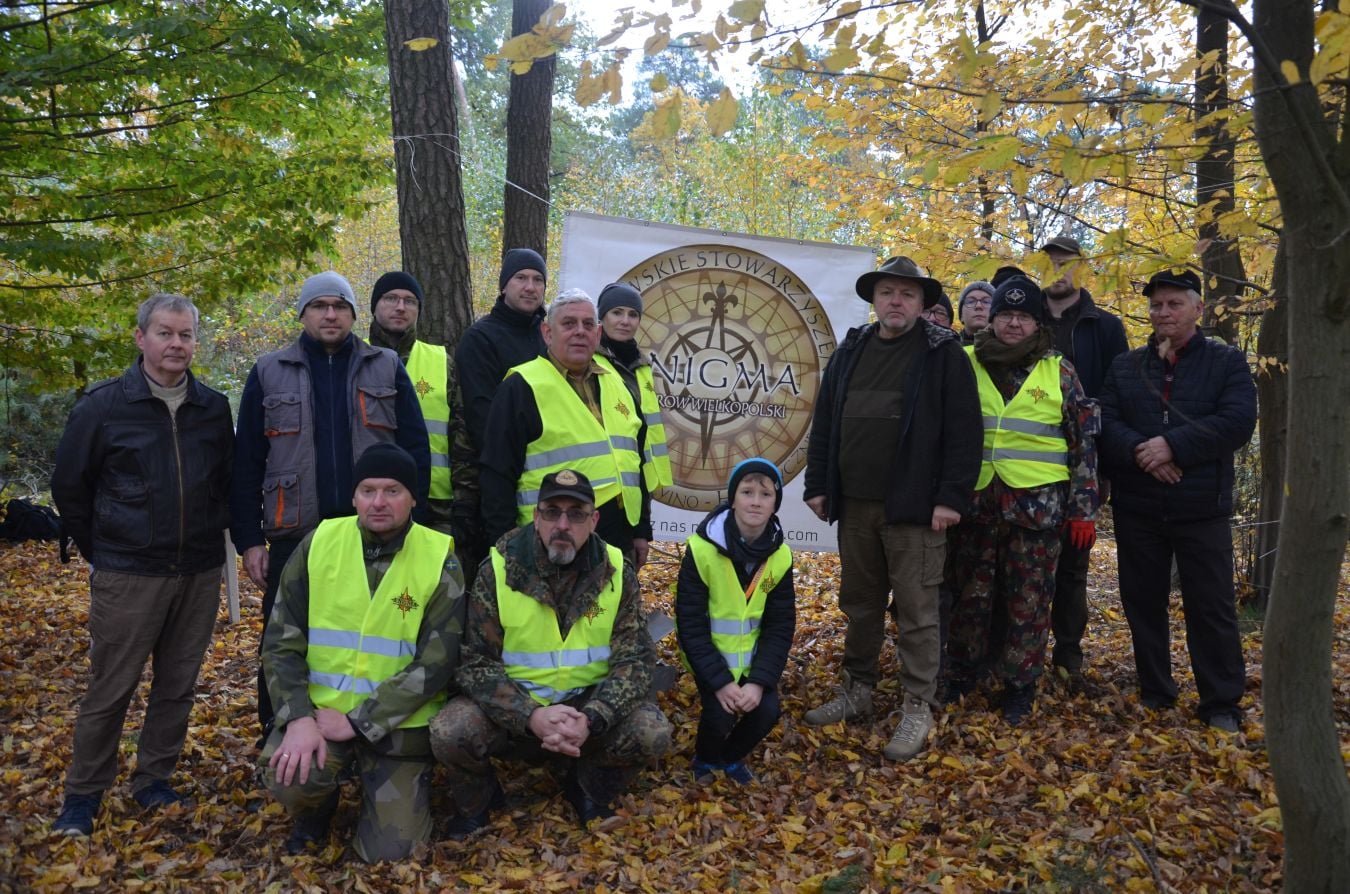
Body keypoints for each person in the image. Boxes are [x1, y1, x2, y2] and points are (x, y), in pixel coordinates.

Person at [50, 293, 234, 835]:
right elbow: (70, 488)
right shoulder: (104, 406)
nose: (175, 344)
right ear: (141, 338)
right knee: (111, 688)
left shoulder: (213, 408)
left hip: (197, 571)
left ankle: (154, 779)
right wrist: (105, 550)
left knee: (177, 684)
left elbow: (226, 483)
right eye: (164, 333)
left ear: (195, 342)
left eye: (185, 335)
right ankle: (83, 795)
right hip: (128, 574)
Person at [230, 271, 431, 739]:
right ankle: (278, 730)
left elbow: (416, 451)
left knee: (371, 636)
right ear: (302, 313)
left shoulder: (384, 366)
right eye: (319, 306)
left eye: (340, 306)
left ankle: (368, 730)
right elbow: (245, 463)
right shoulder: (268, 371)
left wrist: (410, 520)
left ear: (354, 315)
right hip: (295, 532)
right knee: (282, 637)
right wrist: (248, 540)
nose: (330, 314)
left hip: (375, 532)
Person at [801, 255, 981, 762]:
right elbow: (826, 423)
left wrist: (950, 499)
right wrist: (819, 484)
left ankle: (917, 705)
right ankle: (857, 690)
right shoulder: (851, 350)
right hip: (855, 506)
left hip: (916, 511)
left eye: (906, 293)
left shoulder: (942, 354)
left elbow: (966, 435)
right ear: (874, 300)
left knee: (919, 614)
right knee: (859, 605)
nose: (896, 301)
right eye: (887, 292)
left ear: (923, 303)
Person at [430, 469, 673, 831]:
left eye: (575, 514)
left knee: (652, 731)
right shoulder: (499, 567)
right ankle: (480, 801)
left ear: (593, 521)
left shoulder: (616, 570)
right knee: (451, 730)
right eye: (551, 512)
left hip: (585, 713)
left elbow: (635, 661)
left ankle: (587, 787)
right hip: (515, 714)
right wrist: (530, 715)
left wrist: (592, 717)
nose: (563, 524)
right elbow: (476, 664)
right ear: (535, 516)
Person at [259, 444, 464, 859]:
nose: (379, 502)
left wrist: (360, 720)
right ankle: (315, 811)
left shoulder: (440, 557)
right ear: (354, 497)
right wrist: (297, 719)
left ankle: (386, 794)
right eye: (368, 490)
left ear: (413, 498)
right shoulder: (319, 544)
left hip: (397, 731)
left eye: (393, 491)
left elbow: (437, 662)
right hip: (320, 719)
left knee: (392, 853)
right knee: (290, 780)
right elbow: (280, 641)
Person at [1099, 270, 1255, 733]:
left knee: (1212, 607)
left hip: (1201, 508)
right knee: (1142, 603)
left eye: (1173, 304)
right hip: (1139, 508)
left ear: (1197, 309)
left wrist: (1172, 446)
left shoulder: (1227, 363)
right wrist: (1142, 453)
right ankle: (1155, 692)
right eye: (1156, 306)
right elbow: (1104, 420)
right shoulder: (1126, 366)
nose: (1162, 313)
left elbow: (1238, 420)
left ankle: (1221, 703)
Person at [944, 276, 1100, 724]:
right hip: (974, 506)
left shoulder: (1060, 370)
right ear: (990, 320)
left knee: (1028, 602)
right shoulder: (964, 361)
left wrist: (1083, 509)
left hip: (1037, 510)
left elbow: (1083, 443)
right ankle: (962, 675)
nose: (1014, 324)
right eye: (1005, 315)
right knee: (970, 597)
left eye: (1023, 316)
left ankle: (1020, 685)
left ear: (1037, 323)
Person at [479, 290, 653, 565]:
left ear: (597, 334)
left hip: (617, 537)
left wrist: (641, 529)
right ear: (547, 332)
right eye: (569, 324)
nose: (579, 332)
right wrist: (506, 544)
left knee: (611, 609)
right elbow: (497, 474)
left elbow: (635, 461)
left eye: (587, 325)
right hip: (549, 537)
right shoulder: (522, 385)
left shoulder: (618, 382)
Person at [1038, 236, 1130, 683]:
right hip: (1027, 466)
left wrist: (1105, 470)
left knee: (1073, 567)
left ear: (1081, 268)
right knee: (1023, 563)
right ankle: (1019, 653)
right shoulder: (1022, 318)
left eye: (1066, 263)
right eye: (1050, 263)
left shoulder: (1104, 327)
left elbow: (1117, 400)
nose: (1057, 269)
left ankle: (1068, 655)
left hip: (1083, 467)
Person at [676, 458, 795, 784]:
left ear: (775, 503)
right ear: (733, 497)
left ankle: (729, 759)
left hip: (752, 662)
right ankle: (706, 759)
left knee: (767, 711)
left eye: (765, 494)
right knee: (719, 713)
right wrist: (721, 682)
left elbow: (780, 625)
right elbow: (690, 625)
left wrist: (758, 682)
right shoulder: (701, 551)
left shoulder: (781, 556)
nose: (755, 501)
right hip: (709, 659)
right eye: (746, 492)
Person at [368, 271, 483, 576]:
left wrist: (465, 501)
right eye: (391, 298)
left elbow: (461, 436)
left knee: (439, 595)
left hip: (436, 505)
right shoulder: (354, 359)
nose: (400, 307)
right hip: (371, 504)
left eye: (409, 301)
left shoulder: (440, 360)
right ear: (375, 306)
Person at [456, 248, 548, 456]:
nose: (530, 287)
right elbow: (481, 416)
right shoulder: (480, 338)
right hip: (504, 461)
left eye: (538, 280)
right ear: (504, 286)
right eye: (521, 278)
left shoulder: (551, 337)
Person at [595, 281, 674, 491]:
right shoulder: (588, 362)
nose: (625, 321)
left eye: (633, 314)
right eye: (617, 312)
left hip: (640, 481)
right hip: (603, 482)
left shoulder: (643, 366)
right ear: (602, 317)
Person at [957, 281, 994, 346]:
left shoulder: (1012, 350)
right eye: (970, 301)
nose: (978, 306)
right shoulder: (945, 350)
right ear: (961, 315)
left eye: (986, 302)